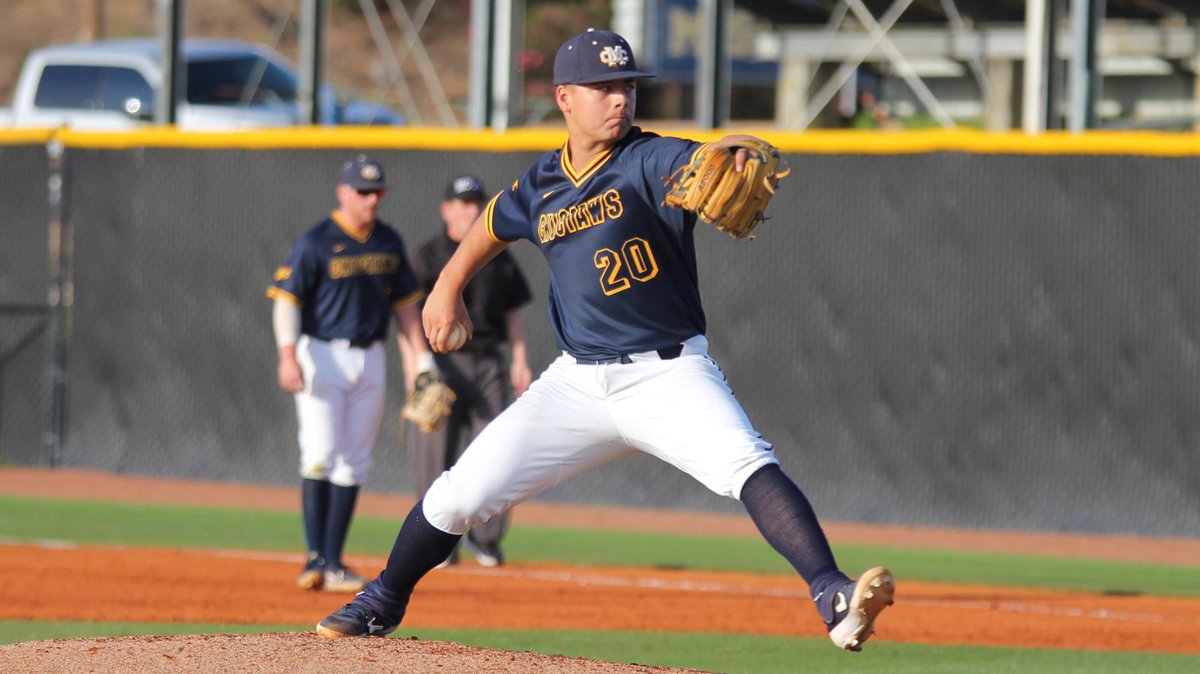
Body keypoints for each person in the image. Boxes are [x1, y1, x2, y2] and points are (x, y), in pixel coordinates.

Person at [316, 29, 895, 651]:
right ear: (564, 97)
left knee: (747, 464)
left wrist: (725, 155)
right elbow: (494, 221)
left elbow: (698, 158)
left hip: (669, 374)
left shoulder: (648, 159)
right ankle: (383, 600)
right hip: (576, 384)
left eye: (626, 86)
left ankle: (832, 593)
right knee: (461, 494)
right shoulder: (541, 183)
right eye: (603, 87)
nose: (620, 98)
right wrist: (447, 285)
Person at [268, 154, 437, 593]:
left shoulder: (388, 241)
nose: (372, 199)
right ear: (342, 192)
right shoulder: (316, 241)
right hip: (321, 354)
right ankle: (315, 558)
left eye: (378, 191)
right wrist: (287, 355)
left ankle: (333, 563)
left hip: (371, 357)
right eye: (363, 191)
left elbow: (405, 307)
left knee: (355, 460)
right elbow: (286, 300)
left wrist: (422, 362)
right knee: (320, 453)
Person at [402, 175, 533, 568]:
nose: (471, 209)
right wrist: (416, 367)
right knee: (433, 453)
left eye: (477, 202)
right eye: (463, 203)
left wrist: (520, 359)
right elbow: (405, 314)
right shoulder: (428, 256)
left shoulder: (497, 253)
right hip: (441, 362)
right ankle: (435, 541)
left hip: (488, 360)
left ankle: (486, 541)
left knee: (497, 449)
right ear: (447, 210)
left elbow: (513, 310)